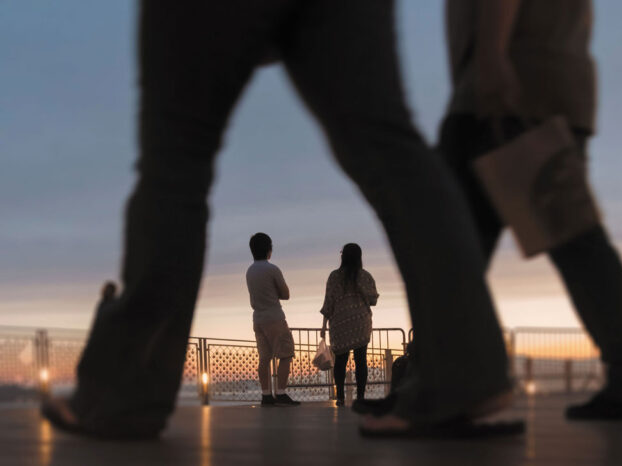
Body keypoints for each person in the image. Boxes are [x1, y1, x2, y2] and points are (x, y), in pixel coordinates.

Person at [42, 0, 520, 439]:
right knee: (390, 148)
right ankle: (468, 371)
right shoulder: (330, 275)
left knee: (175, 163)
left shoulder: (299, 274)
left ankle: (124, 392)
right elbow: (352, 294)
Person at [438, 0, 622, 420]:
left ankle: (436, 382)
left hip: (507, 89)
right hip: (538, 80)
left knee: (452, 249)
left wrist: (492, 57)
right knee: (551, 239)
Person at [319, 243, 378, 407]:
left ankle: (340, 397)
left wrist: (323, 325)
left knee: (340, 361)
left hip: (340, 323)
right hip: (360, 322)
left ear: (342, 256)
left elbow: (328, 303)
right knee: (361, 360)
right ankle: (360, 397)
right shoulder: (365, 276)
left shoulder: (334, 277)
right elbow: (373, 300)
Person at [246, 233, 299, 407]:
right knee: (286, 354)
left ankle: (266, 395)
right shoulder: (272, 269)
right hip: (275, 317)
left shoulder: (250, 271)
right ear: (269, 250)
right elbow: (286, 294)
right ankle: (281, 393)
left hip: (258, 318)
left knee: (264, 358)